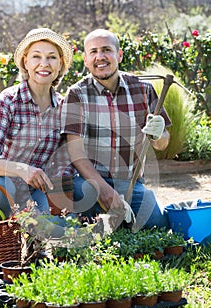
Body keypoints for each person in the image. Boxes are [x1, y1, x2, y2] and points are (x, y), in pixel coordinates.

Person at [61, 29, 172, 230]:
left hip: (131, 183)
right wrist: (104, 191)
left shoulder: (143, 89)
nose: (100, 57)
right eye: (93, 52)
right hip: (90, 183)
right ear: (85, 60)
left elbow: (163, 143)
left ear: (119, 55)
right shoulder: (76, 94)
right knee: (85, 213)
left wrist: (159, 133)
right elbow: (75, 153)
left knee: (159, 227)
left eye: (106, 50)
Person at [0, 28, 74, 218]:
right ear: (25, 62)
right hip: (0, 184)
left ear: (60, 64)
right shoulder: (9, 100)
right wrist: (23, 170)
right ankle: (0, 239)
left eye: (51, 57)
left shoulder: (63, 108)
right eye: (36, 56)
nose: (44, 64)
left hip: (34, 191)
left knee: (58, 224)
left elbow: (63, 163)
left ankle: (35, 240)